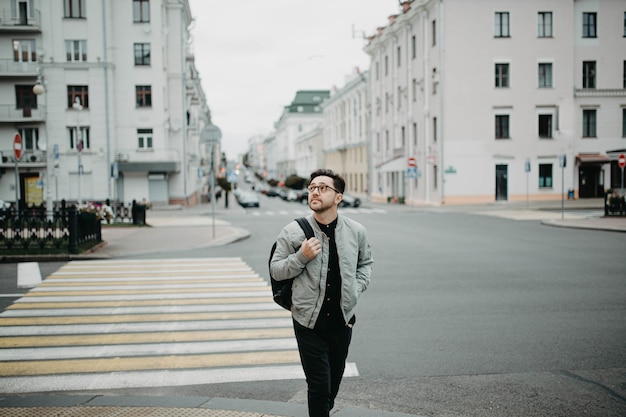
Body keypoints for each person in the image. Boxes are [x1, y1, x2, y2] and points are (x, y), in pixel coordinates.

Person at [270, 169, 373, 417]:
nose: (315, 191)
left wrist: (355, 289)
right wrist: (301, 257)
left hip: (342, 320)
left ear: (338, 197)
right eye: (312, 187)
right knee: (319, 386)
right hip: (308, 322)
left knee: (333, 384)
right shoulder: (293, 231)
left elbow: (365, 264)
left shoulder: (356, 231)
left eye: (323, 187)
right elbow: (276, 271)